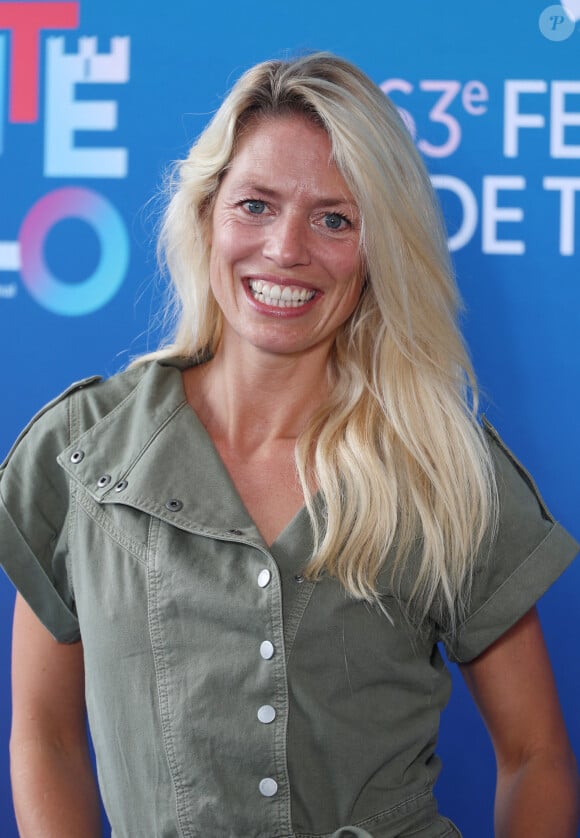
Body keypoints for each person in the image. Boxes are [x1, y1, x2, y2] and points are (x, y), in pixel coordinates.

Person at [1, 52, 578, 838]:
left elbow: (537, 754)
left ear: (380, 250)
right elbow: (49, 739)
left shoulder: (445, 469)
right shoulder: (78, 452)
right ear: (206, 213)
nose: (285, 250)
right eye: (256, 205)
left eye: (335, 219)